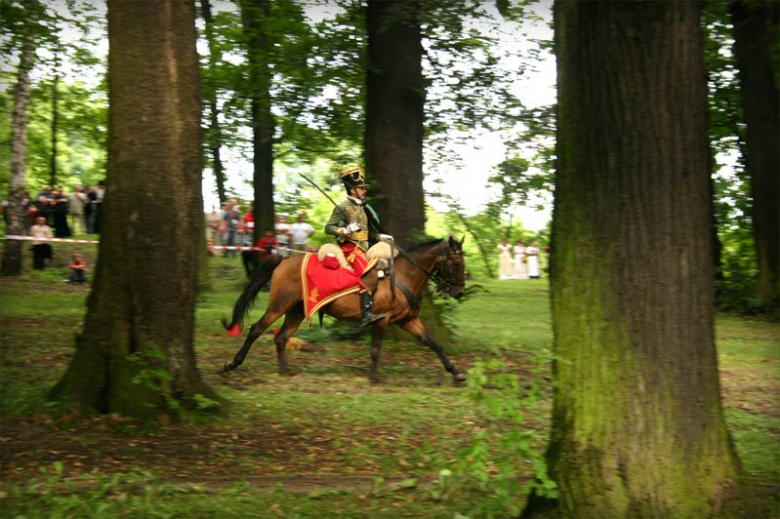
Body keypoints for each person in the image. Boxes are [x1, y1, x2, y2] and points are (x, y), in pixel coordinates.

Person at [324, 163, 393, 326]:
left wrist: (380, 236)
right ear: (352, 189)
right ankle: (366, 314)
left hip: (365, 248)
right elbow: (328, 228)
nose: (364, 190)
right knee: (367, 273)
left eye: (363, 188)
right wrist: (344, 230)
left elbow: (368, 233)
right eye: (361, 188)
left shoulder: (362, 208)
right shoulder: (343, 207)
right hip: (350, 249)